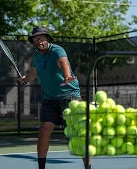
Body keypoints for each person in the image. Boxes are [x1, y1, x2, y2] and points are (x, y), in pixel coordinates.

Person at [19, 26, 91, 169]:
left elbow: (63, 63)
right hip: (50, 99)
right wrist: (26, 79)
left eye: (41, 38)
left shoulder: (57, 50)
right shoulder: (37, 55)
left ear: (47, 38)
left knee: (78, 136)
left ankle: (88, 167)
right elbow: (35, 70)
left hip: (70, 98)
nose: (38, 41)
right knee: (44, 130)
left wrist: (67, 76)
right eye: (35, 39)